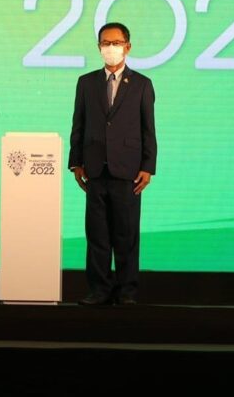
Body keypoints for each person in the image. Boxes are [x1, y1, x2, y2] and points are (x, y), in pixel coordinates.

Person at [69, 22, 157, 305]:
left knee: (126, 235)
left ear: (127, 47)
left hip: (128, 171)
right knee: (97, 235)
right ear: (99, 47)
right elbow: (78, 124)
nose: (110, 48)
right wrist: (75, 162)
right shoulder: (86, 82)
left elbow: (148, 129)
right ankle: (99, 290)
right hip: (94, 169)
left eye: (116, 43)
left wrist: (148, 166)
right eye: (105, 43)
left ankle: (127, 291)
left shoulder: (142, 84)